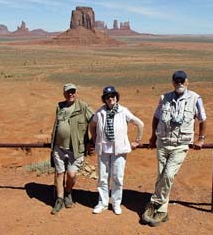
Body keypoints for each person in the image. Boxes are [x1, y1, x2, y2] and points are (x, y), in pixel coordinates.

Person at [142, 71, 207, 227]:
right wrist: (153, 137)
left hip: (180, 144)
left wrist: (201, 139)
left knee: (169, 174)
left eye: (182, 80)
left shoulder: (195, 99)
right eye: (176, 80)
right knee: (161, 175)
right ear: (172, 82)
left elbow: (203, 120)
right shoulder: (164, 98)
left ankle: (154, 202)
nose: (179, 83)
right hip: (163, 142)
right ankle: (162, 211)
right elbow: (156, 117)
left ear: (187, 82)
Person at [89, 86, 144, 215]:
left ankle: (116, 203)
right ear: (104, 99)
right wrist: (95, 139)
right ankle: (102, 203)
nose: (110, 98)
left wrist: (137, 140)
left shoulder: (123, 111)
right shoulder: (100, 112)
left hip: (119, 150)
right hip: (103, 150)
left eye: (113, 96)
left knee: (117, 177)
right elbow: (92, 125)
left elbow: (140, 124)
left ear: (116, 97)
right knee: (103, 177)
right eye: (107, 97)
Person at [50, 83, 94, 215]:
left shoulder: (83, 107)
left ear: (76, 93)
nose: (71, 94)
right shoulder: (60, 106)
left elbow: (97, 121)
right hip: (59, 147)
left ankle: (68, 191)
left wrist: (92, 141)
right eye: (68, 92)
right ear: (64, 94)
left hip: (76, 148)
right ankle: (60, 199)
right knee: (59, 173)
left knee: (71, 174)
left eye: (73, 92)